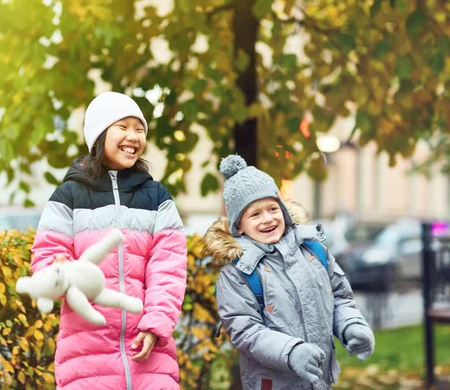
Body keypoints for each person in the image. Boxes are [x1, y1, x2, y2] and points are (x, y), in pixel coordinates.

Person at [30, 92, 187, 390]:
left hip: (149, 351)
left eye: (139, 129)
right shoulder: (69, 195)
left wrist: (156, 325)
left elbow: (170, 268)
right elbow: (46, 259)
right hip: (85, 354)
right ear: (100, 135)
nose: (133, 136)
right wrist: (58, 273)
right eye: (123, 127)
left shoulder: (156, 197)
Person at [203, 155, 375, 390]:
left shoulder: (313, 251)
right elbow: (246, 331)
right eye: (255, 214)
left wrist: (351, 326)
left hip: (320, 381)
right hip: (274, 384)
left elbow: (340, 298)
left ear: (282, 209)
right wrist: (291, 351)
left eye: (273, 208)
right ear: (239, 226)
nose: (268, 218)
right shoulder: (237, 274)